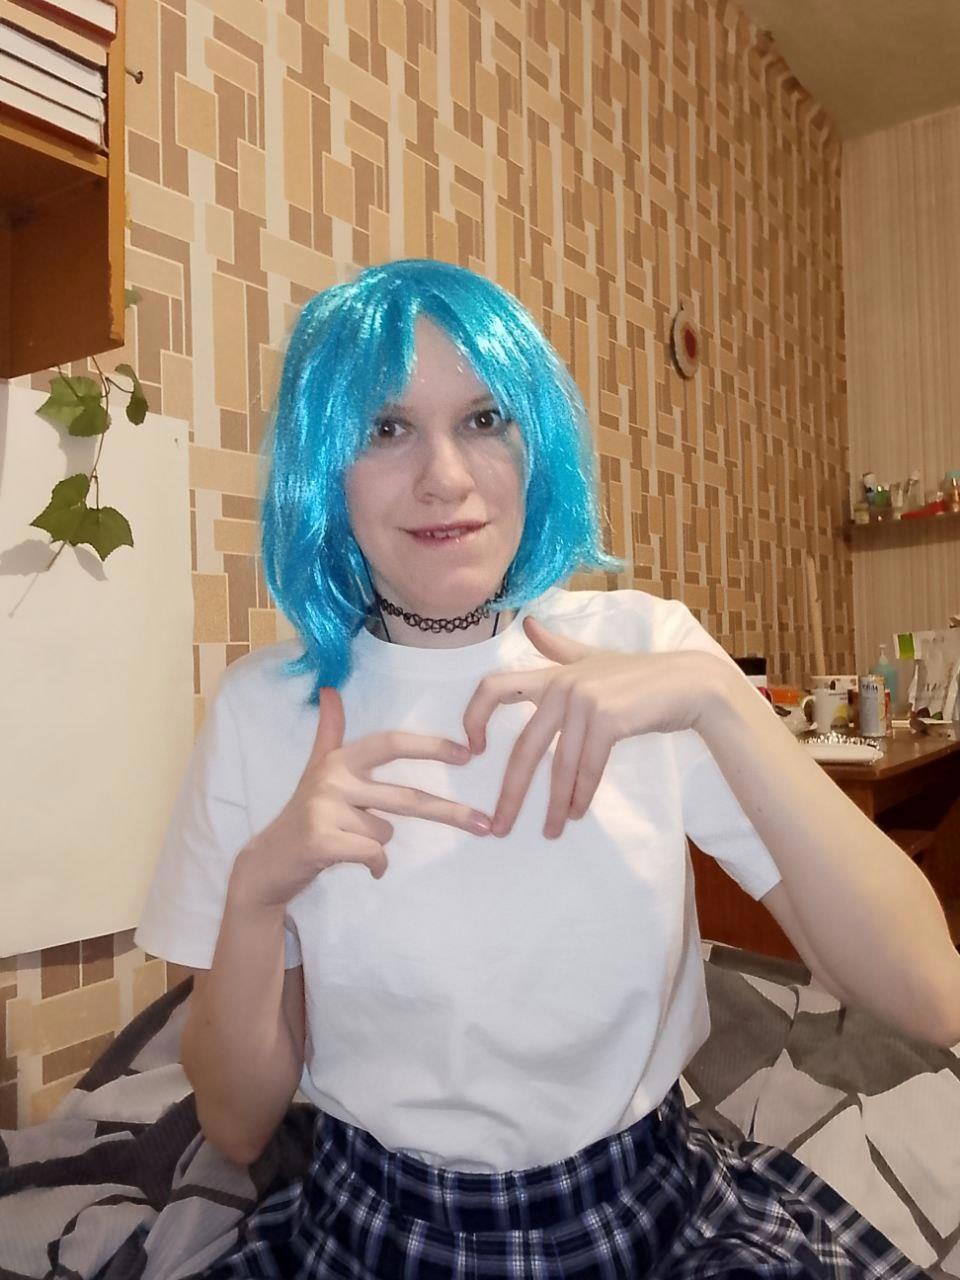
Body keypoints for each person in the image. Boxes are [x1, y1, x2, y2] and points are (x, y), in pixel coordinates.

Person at [136, 259, 958, 1279]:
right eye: (385, 429)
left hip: (652, 1210)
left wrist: (717, 703)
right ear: (324, 465)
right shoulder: (264, 711)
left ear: (536, 444)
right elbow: (237, 1123)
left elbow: (931, 996)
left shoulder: (647, 648)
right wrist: (259, 892)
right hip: (373, 1223)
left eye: (484, 419)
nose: (445, 476)